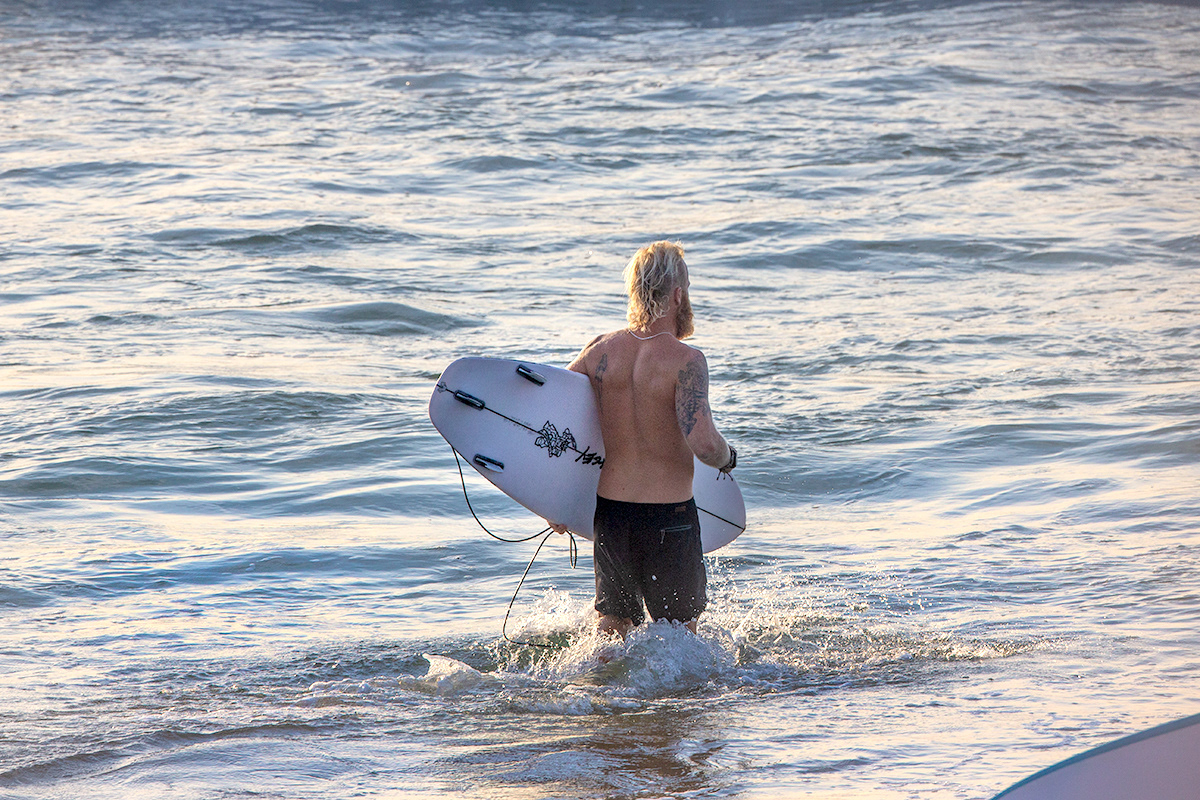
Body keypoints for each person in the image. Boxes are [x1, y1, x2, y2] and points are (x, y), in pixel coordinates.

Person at [549, 241, 737, 638]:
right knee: (679, 638)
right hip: (670, 520)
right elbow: (704, 444)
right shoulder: (686, 360)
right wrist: (728, 458)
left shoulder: (599, 351)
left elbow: (554, 425)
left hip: (612, 517)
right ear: (678, 295)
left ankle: (595, 678)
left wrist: (550, 501)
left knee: (612, 630)